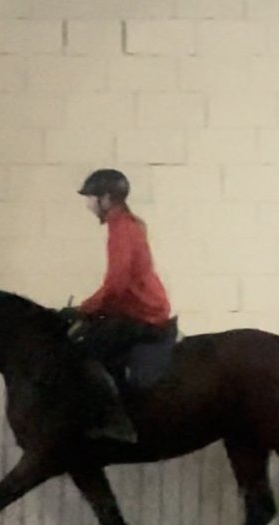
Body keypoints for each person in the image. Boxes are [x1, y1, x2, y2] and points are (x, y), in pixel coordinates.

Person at [73, 168, 174, 443]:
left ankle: (117, 421)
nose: (88, 204)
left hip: (143, 312)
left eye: (91, 197)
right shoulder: (128, 224)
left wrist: (85, 308)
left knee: (86, 353)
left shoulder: (122, 229)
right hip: (135, 308)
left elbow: (116, 283)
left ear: (106, 198)